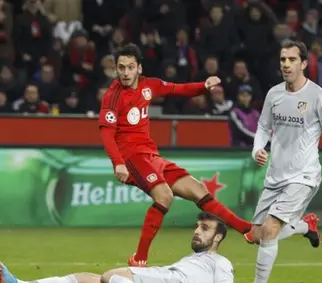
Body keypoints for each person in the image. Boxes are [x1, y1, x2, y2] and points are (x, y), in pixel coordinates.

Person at [98, 44, 252, 267]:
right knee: (164, 196)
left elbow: (177, 90)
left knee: (199, 190)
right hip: (132, 158)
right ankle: (139, 257)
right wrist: (118, 164)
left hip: (152, 155)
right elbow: (106, 133)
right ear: (116, 69)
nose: (125, 72)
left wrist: (203, 86)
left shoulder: (148, 86)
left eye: (130, 67)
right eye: (121, 67)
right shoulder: (112, 96)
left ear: (139, 68)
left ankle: (245, 229)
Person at [0, 212, 258, 283]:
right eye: (197, 226)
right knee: (83, 278)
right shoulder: (194, 258)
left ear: (218, 237)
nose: (197, 231)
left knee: (110, 275)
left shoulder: (220, 262)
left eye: (205, 228)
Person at [247, 40, 322, 283]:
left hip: (303, 176)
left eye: (292, 60)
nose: (286, 64)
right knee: (256, 235)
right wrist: (258, 150)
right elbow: (263, 128)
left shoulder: (319, 98)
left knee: (269, 228)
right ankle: (304, 225)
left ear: (303, 64)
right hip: (275, 177)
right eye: (282, 60)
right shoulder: (273, 95)